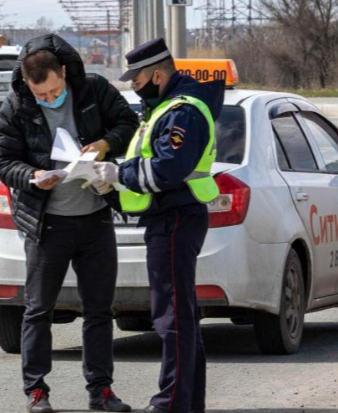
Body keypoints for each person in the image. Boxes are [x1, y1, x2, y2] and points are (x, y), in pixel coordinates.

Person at [0, 34, 139, 413]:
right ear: (27, 83)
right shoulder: (16, 106)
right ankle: (37, 391)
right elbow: (4, 161)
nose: (47, 99)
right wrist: (32, 176)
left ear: (63, 73)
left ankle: (101, 391)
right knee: (38, 310)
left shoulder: (93, 90)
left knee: (99, 310)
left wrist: (105, 146)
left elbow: (127, 122)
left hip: (94, 219)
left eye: (54, 91)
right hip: (47, 225)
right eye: (40, 95)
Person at [94, 38, 224, 413]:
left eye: (136, 79)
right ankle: (186, 403)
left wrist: (121, 173)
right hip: (170, 218)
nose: (133, 86)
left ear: (157, 73)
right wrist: (116, 181)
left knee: (172, 319)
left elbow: (168, 168)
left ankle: (170, 403)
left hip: (175, 217)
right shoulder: (165, 107)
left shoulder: (182, 112)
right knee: (178, 316)